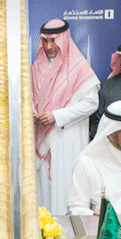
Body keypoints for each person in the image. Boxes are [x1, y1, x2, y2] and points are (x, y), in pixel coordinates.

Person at [32, 19, 100, 215]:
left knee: (65, 187)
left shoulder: (79, 67)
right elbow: (27, 97)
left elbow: (91, 103)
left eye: (54, 40)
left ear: (64, 39)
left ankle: (67, 230)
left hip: (67, 138)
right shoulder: (36, 67)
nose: (49, 46)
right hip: (42, 138)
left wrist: (57, 116)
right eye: (45, 41)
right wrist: (31, 110)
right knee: (43, 192)